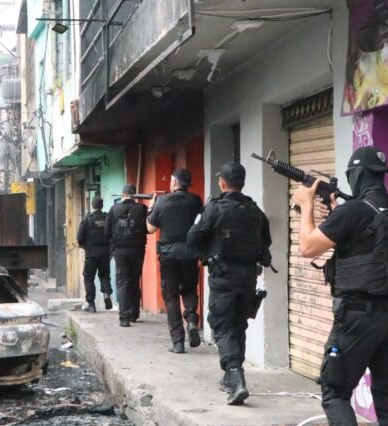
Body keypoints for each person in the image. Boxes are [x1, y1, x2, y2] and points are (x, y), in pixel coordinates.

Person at [293, 146, 388, 426]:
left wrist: (306, 205)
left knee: (335, 392)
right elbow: (366, 244)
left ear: (356, 174)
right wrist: (336, 213)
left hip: (358, 318)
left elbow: (308, 247)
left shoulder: (354, 211)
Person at [187, 161, 271, 405]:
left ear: (222, 183)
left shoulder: (214, 209)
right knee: (238, 325)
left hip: (223, 276)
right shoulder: (255, 210)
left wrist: (207, 251)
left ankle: (235, 378)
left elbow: (192, 238)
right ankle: (230, 377)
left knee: (222, 325)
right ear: (242, 182)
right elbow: (266, 240)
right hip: (248, 277)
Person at [147, 169, 203, 353]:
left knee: (171, 297)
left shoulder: (162, 202)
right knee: (189, 288)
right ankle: (192, 320)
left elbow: (150, 229)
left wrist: (151, 208)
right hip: (190, 253)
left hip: (168, 255)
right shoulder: (195, 201)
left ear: (174, 182)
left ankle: (178, 342)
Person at [105, 184, 148, 327]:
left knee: (123, 282)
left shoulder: (114, 209)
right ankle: (134, 313)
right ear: (134, 194)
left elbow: (106, 231)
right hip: (137, 250)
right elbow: (148, 228)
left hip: (120, 251)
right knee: (135, 280)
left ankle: (124, 317)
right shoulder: (142, 209)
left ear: (123, 194)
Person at [77, 197, 114, 312]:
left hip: (91, 254)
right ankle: (106, 294)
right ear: (102, 206)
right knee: (105, 275)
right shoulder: (107, 218)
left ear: (92, 206)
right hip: (105, 253)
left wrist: (83, 245)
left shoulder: (87, 219)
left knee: (89, 278)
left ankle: (91, 304)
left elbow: (80, 237)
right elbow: (112, 234)